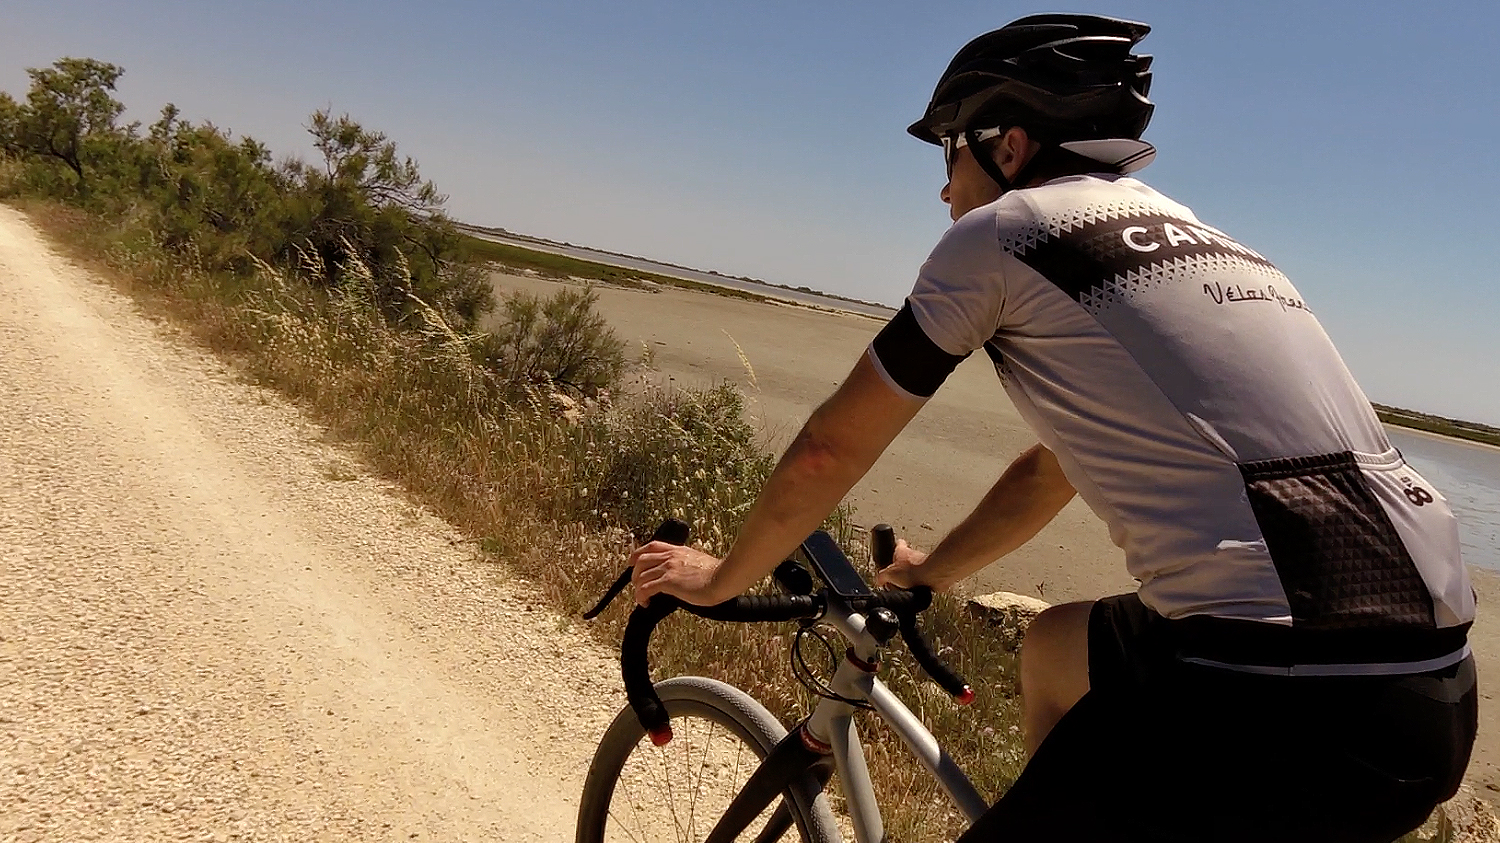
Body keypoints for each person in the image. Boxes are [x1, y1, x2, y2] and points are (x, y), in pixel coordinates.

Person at [630, 14, 1477, 841]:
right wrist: (931, 570)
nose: (943, 186)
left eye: (949, 149)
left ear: (1009, 146)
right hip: (1434, 690)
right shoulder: (1212, 242)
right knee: (1055, 645)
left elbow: (829, 447)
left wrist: (722, 579)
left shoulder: (1005, 234)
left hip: (1271, 693)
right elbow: (1051, 471)